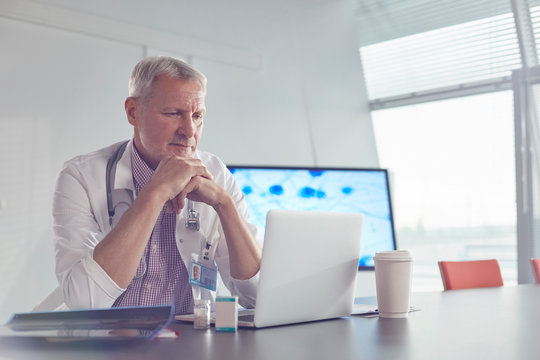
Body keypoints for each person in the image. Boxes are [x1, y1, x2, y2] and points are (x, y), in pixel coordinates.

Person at [52, 56, 262, 314]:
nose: (189, 130)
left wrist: (224, 204)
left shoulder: (215, 172)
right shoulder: (81, 176)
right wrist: (155, 192)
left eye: (197, 116)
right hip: (107, 347)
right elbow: (85, 301)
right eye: (173, 113)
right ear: (133, 112)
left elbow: (259, 294)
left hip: (188, 345)